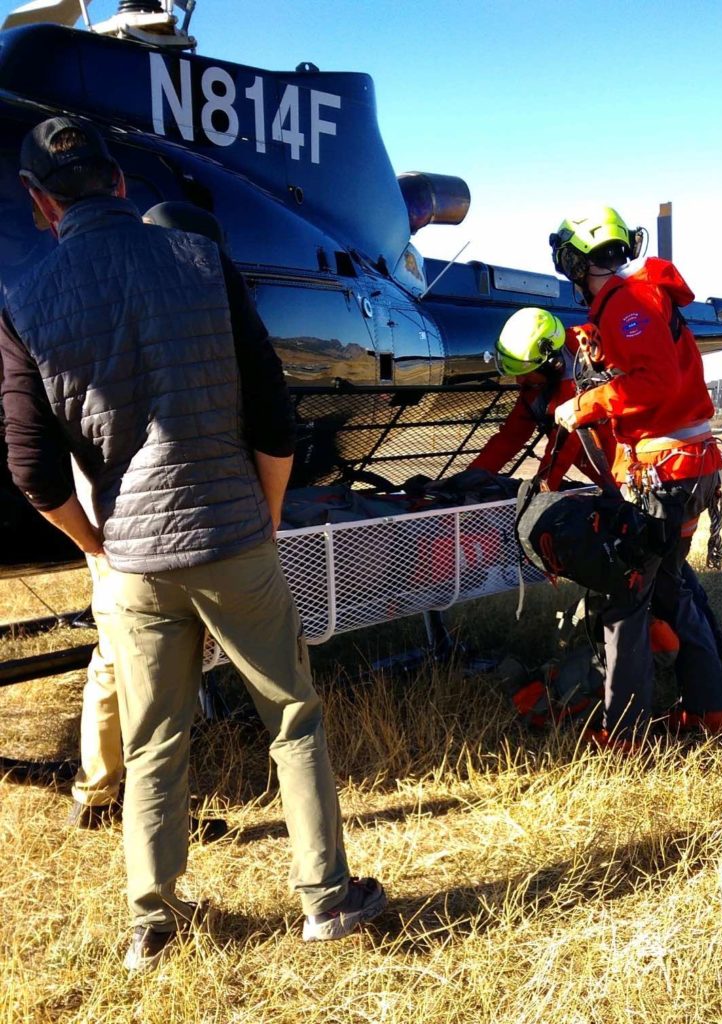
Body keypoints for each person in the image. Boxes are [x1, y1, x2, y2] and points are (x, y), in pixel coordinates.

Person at [0, 116, 386, 971]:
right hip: (233, 535)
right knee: (290, 715)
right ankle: (327, 901)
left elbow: (30, 467)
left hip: (133, 560)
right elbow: (275, 419)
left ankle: (152, 925)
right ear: (122, 183)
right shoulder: (201, 261)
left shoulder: (23, 305)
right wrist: (268, 514)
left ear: (37, 203)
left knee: (152, 743)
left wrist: (96, 543)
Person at [67, 203, 233, 842]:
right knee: (150, 666)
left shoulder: (106, 304)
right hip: (141, 518)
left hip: (109, 512)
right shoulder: (172, 313)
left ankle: (98, 790)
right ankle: (154, 814)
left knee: (114, 655)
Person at [549, 206, 722, 748]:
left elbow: (651, 382)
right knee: (673, 593)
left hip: (664, 476)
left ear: (580, 263)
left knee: (626, 604)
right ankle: (708, 711)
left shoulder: (628, 302)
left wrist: (583, 406)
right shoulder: (638, 299)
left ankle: (625, 734)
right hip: (687, 470)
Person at [469, 306, 616, 489]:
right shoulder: (538, 384)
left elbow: (563, 448)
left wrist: (541, 494)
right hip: (610, 479)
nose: (519, 380)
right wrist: (467, 480)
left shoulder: (589, 371)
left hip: (632, 472)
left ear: (552, 365)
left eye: (526, 373)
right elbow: (510, 438)